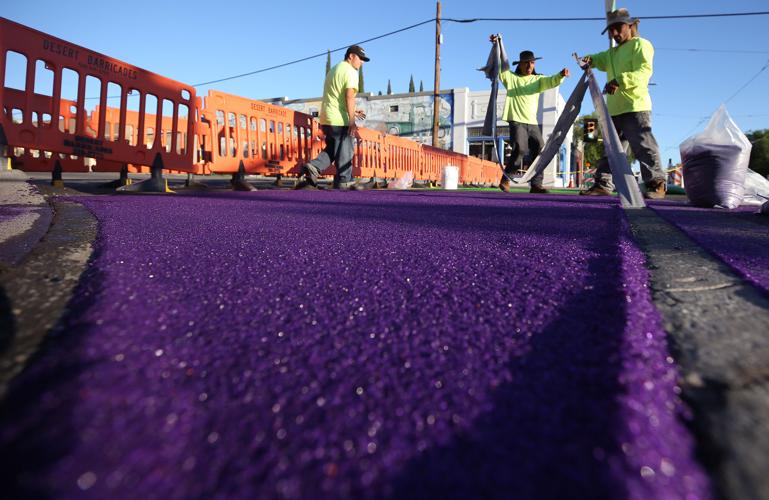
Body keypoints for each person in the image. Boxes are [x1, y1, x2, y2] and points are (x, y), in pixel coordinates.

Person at [580, 8, 666, 199]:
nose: (614, 34)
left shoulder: (641, 45)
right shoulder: (611, 54)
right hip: (614, 109)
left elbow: (644, 72)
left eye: (618, 28)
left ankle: (656, 184)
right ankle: (603, 184)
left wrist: (620, 80)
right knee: (610, 149)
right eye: (611, 30)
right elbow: (596, 59)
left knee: (643, 146)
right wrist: (587, 59)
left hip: (636, 107)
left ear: (630, 26)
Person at [492, 36, 569, 194]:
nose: (529, 65)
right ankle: (507, 178)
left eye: (532, 62)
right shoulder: (511, 78)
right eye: (526, 62)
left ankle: (536, 184)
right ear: (520, 64)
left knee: (540, 149)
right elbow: (499, 65)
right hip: (516, 121)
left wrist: (560, 75)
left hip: (531, 122)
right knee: (520, 149)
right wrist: (496, 46)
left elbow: (551, 81)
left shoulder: (538, 80)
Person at [295, 45, 369, 190]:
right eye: (360, 58)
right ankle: (345, 180)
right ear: (351, 56)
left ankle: (314, 167)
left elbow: (336, 97)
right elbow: (349, 96)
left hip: (327, 118)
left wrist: (353, 111)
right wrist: (352, 122)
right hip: (339, 119)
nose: (362, 62)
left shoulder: (334, 69)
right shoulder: (351, 72)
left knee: (333, 149)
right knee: (346, 149)